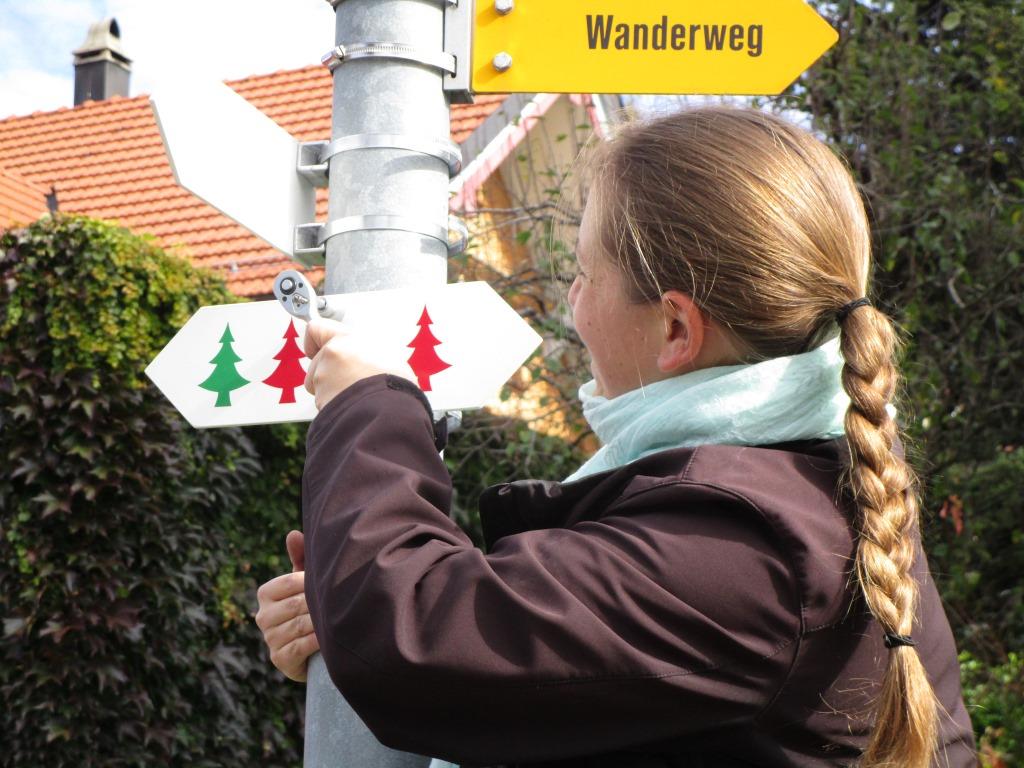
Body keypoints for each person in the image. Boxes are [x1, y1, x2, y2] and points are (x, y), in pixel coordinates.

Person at [255, 107, 975, 767]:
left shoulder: (755, 551)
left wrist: (365, 402)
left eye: (582, 274)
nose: (571, 301)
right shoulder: (788, 507)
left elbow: (410, 636)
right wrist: (341, 612)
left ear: (675, 329)